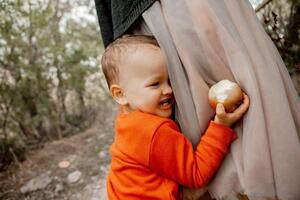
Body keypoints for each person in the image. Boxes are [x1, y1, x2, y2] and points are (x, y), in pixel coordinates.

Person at [101, 35, 250, 199]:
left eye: (170, 81)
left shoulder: (127, 120)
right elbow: (197, 174)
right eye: (155, 84)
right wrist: (221, 126)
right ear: (120, 94)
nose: (169, 90)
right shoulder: (153, 132)